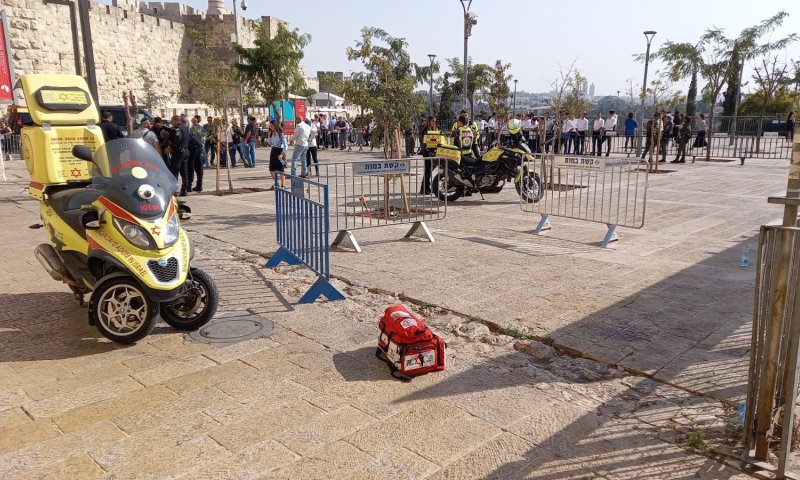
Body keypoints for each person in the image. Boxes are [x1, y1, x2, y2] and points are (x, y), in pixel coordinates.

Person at [169, 115, 191, 196]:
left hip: (178, 153)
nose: (171, 123)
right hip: (185, 151)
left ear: (176, 120)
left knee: (174, 171)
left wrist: (171, 146)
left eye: (172, 121)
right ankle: (184, 189)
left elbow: (177, 140)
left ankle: (174, 190)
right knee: (184, 172)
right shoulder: (185, 127)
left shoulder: (177, 129)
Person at [419, 116, 440, 194]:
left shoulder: (435, 129)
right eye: (433, 121)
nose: (434, 123)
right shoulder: (425, 130)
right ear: (429, 121)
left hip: (433, 152)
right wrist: (425, 150)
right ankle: (424, 188)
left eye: (435, 121)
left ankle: (427, 187)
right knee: (428, 171)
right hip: (427, 152)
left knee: (429, 171)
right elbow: (423, 141)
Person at [267, 121, 287, 189]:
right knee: (271, 169)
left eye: (271, 126)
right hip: (273, 150)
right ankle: (276, 183)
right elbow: (269, 143)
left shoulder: (281, 134)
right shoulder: (272, 133)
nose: (270, 127)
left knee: (281, 169)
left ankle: (283, 185)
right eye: (270, 126)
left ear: (275, 126)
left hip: (280, 150)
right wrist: (269, 135)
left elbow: (285, 145)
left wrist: (282, 154)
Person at [187, 116, 204, 192]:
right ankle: (199, 185)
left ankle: (190, 185)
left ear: (198, 120)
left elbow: (198, 138)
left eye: (194, 120)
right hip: (199, 148)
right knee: (198, 167)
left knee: (191, 166)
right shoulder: (196, 127)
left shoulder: (196, 128)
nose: (193, 121)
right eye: (192, 120)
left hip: (194, 149)